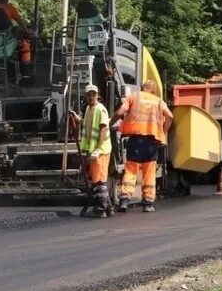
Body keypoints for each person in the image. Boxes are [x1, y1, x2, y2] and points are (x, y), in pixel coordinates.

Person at [114, 79, 174, 213]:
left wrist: (111, 121)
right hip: (151, 142)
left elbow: (120, 112)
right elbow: (170, 116)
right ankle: (147, 203)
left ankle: (124, 200)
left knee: (131, 170)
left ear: (142, 87)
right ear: (153, 90)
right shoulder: (158, 101)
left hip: (135, 140)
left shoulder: (134, 96)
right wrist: (163, 132)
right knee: (149, 172)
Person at [70, 84, 113, 217]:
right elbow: (87, 123)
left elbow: (104, 129)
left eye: (93, 94)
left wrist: (98, 149)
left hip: (101, 150)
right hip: (94, 149)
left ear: (97, 95)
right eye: (89, 94)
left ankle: (101, 209)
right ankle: (109, 208)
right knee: (97, 179)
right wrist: (78, 118)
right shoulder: (89, 109)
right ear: (86, 96)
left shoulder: (101, 110)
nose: (91, 97)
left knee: (99, 181)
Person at [0, 0, 32, 65]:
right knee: (24, 40)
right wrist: (26, 30)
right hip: (5, 37)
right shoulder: (9, 7)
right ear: (6, 0)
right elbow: (19, 21)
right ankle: (25, 63)